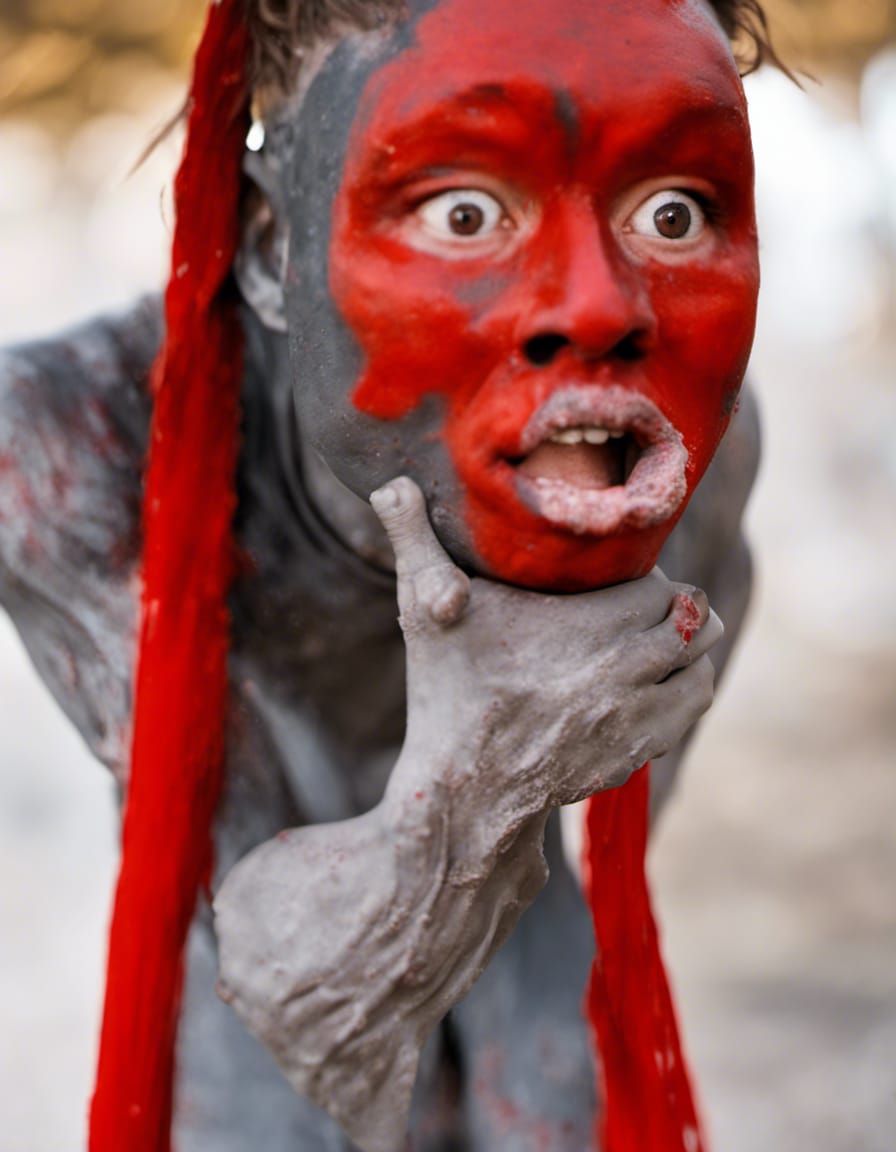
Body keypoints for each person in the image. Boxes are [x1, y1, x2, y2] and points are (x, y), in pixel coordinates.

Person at [0, 0, 772, 1147]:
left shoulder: (692, 460)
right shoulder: (72, 460)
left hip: (507, 897)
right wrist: (462, 792)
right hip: (268, 935)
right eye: (465, 212)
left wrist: (490, 810)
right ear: (271, 248)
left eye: (671, 211)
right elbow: (291, 996)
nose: (601, 307)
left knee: (549, 1084)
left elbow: (566, 887)